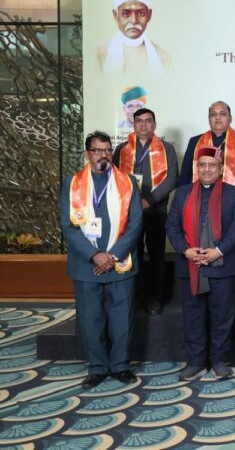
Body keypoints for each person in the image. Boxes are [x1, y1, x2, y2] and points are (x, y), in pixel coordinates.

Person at [60, 131, 142, 388]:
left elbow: (135, 223)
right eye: (97, 150)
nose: (103, 155)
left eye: (107, 150)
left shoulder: (128, 182)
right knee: (90, 318)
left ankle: (120, 365)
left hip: (120, 263)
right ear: (87, 154)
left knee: (122, 318)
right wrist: (95, 255)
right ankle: (97, 367)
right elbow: (68, 225)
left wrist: (113, 255)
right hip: (87, 264)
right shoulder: (72, 183)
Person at [166, 146, 235, 381]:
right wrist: (185, 250)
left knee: (222, 316)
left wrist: (218, 251)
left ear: (220, 169)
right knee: (193, 316)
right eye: (202, 165)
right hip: (190, 265)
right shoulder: (182, 194)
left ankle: (219, 360)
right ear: (196, 168)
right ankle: (196, 361)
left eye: (212, 165)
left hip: (222, 265)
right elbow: (171, 226)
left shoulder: (234, 193)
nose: (207, 169)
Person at [113, 108, 178, 315]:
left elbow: (171, 180)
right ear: (133, 124)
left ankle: (155, 298)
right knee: (134, 254)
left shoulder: (166, 148)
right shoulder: (122, 150)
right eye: (139, 121)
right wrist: (131, 203)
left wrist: (148, 200)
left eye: (148, 121)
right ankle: (138, 296)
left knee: (157, 255)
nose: (143, 125)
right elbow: (113, 178)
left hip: (156, 209)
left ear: (154, 124)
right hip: (129, 211)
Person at [178, 100, 235, 203]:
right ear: (209, 119)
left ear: (230, 118)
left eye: (222, 114)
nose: (217, 117)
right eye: (213, 114)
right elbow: (185, 176)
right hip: (199, 202)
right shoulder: (195, 142)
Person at [97, 0, 171, 74]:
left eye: (141, 14)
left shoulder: (162, 57)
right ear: (115, 15)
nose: (134, 21)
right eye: (126, 13)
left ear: (149, 15)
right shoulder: (101, 53)